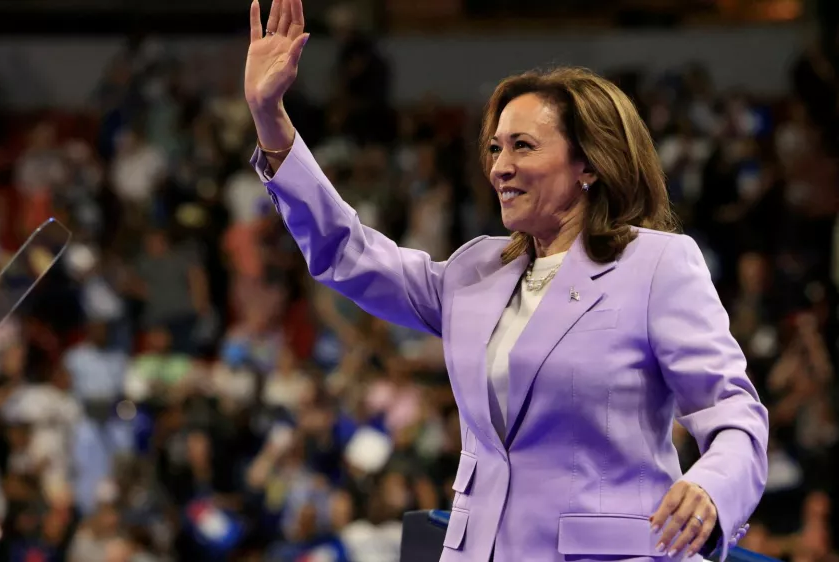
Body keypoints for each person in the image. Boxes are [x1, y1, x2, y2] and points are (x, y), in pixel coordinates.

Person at [242, 1, 769, 561]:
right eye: (495, 147)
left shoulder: (657, 265)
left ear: (588, 164)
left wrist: (710, 488)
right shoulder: (476, 271)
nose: (499, 167)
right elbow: (346, 250)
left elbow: (734, 416)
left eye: (522, 146)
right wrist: (270, 117)